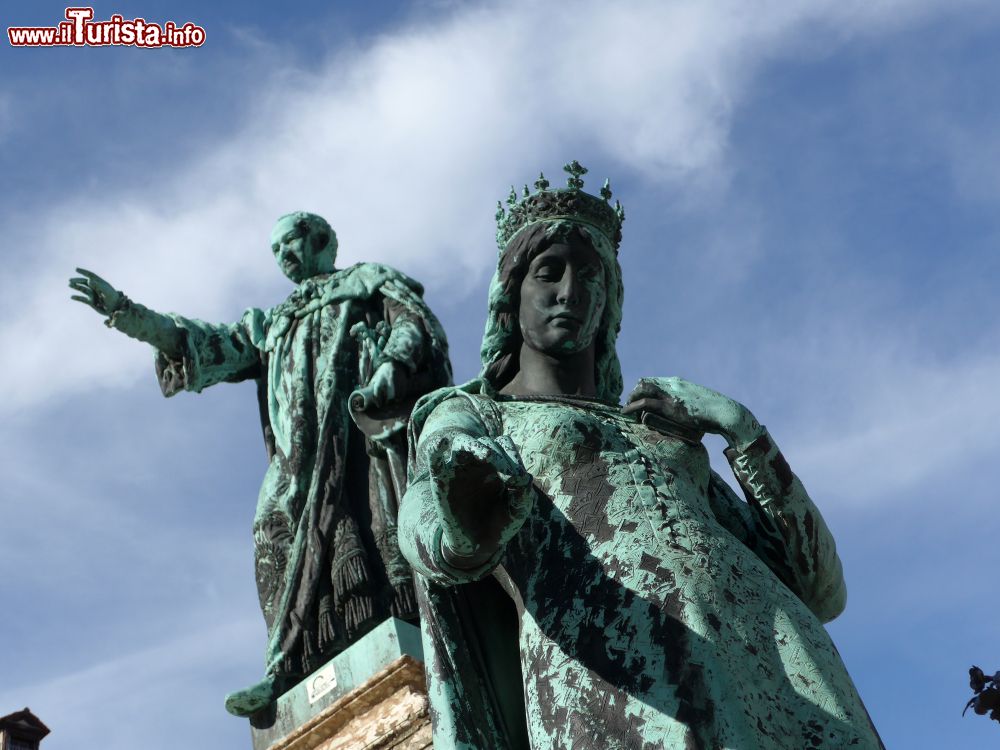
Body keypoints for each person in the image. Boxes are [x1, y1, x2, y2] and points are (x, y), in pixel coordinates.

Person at [399, 164, 884, 748]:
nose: (571, 292)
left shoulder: (658, 431)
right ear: (510, 295)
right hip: (621, 671)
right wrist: (463, 507)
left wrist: (741, 428)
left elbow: (823, 589)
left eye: (591, 278)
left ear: (611, 302)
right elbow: (428, 522)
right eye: (548, 273)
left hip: (780, 663)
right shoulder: (475, 416)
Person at [69, 211, 451, 716]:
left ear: (322, 241)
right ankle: (287, 665)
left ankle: (406, 635)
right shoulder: (273, 323)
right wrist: (127, 313)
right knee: (272, 528)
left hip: (359, 437)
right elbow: (205, 342)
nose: (284, 256)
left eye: (290, 242)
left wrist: (390, 367)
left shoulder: (367, 281)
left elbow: (413, 325)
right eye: (275, 250)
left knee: (372, 528)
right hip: (298, 458)